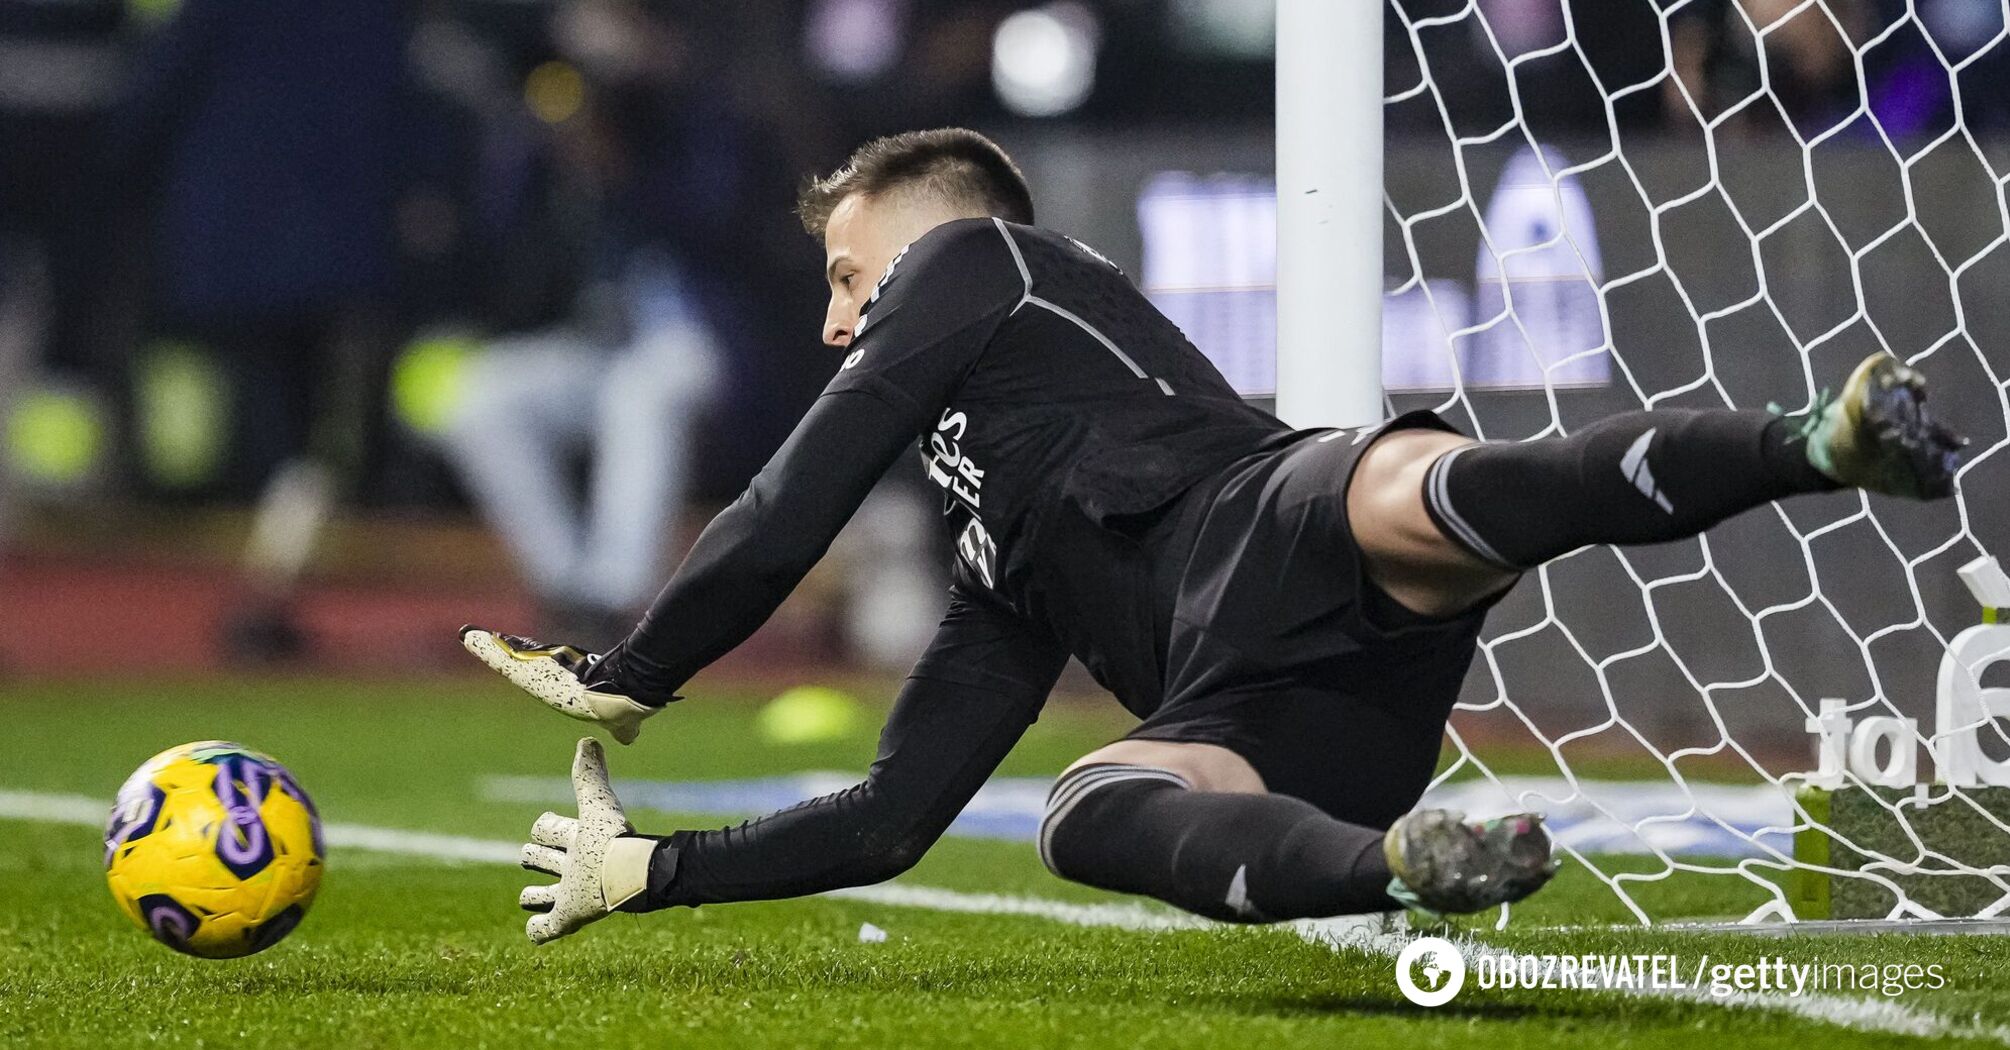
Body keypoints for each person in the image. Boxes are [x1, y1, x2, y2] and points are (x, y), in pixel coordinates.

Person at [461, 128, 1967, 944]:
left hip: (1273, 517)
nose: (833, 319)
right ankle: (1403, 862)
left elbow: (794, 496)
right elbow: (888, 821)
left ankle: (1819, 442)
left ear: (929, 248)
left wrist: (637, 666)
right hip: (1279, 729)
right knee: (1080, 810)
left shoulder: (981, 257)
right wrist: (653, 872)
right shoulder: (1007, 572)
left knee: (1403, 481)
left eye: (854, 276)